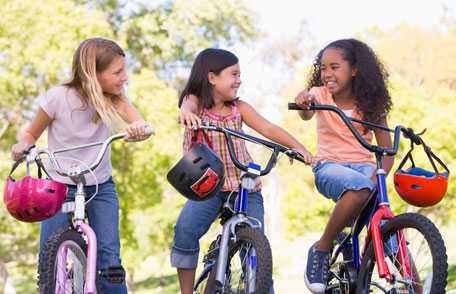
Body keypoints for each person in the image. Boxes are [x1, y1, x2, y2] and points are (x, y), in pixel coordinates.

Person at [11, 37, 151, 293]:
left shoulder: (114, 99)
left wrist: (138, 129)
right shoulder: (57, 98)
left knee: (109, 259)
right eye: (117, 72)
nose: (125, 78)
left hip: (100, 186)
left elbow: (137, 120)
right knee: (49, 258)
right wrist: (23, 145)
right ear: (92, 73)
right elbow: (30, 135)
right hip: (58, 186)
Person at [172, 48, 313, 294]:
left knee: (258, 247)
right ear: (211, 77)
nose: (239, 80)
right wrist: (185, 113)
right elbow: (188, 103)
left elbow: (268, 128)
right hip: (208, 189)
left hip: (244, 186)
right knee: (185, 230)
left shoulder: (240, 108)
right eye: (233, 74)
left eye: (240, 74)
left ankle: (258, 287)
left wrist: (297, 147)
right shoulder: (196, 104)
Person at [293, 38, 394, 293]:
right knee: (360, 188)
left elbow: (387, 151)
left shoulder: (371, 104)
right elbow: (305, 112)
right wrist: (303, 102)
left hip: (363, 168)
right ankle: (322, 248)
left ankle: (423, 285)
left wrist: (377, 181)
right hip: (329, 167)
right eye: (323, 67)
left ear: (354, 70)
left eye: (334, 67)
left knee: (389, 234)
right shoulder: (319, 94)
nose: (327, 73)